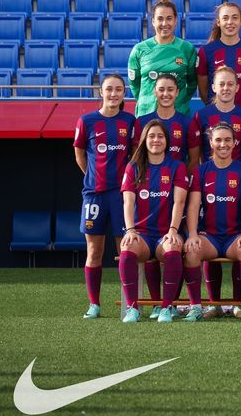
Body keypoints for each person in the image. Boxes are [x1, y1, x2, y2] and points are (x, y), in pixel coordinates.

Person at [72, 74, 136, 319]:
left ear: (123, 94)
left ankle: (129, 305)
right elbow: (79, 153)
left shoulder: (130, 122)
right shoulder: (86, 121)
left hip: (121, 196)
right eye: (109, 89)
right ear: (101, 92)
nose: (113, 94)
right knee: (94, 251)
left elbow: (133, 155)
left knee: (126, 250)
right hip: (94, 196)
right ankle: (94, 304)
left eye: (118, 89)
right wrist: (92, 176)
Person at [182, 123, 241, 322]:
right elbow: (193, 206)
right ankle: (196, 307)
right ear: (210, 143)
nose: (222, 144)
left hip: (235, 235)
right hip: (211, 236)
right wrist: (192, 235)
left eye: (227, 140)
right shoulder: (201, 171)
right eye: (218, 140)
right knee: (191, 251)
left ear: (235, 143)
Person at [133, 72, 195, 315]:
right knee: (150, 243)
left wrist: (181, 182)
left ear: (177, 92)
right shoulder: (142, 121)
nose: (166, 93)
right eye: (162, 89)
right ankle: (158, 303)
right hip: (149, 190)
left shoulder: (187, 122)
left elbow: (194, 157)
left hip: (177, 191)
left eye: (171, 89)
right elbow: (137, 157)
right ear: (154, 92)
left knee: (173, 243)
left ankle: (174, 302)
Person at [118, 119, 190, 323]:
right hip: (142, 233)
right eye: (151, 136)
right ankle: (133, 308)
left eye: (160, 136)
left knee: (173, 248)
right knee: (127, 248)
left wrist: (174, 230)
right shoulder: (133, 167)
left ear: (166, 141)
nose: (156, 140)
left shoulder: (177, 166)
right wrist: (130, 230)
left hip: (165, 233)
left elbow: (179, 202)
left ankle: (166, 307)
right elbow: (127, 201)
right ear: (144, 140)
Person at [128, 0, 197, 116]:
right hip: (146, 115)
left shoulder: (187, 49)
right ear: (153, 21)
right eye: (160, 19)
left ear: (175, 20)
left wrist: (179, 102)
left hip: (178, 116)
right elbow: (134, 85)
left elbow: (192, 84)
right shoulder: (139, 50)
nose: (164, 23)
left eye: (169, 18)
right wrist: (148, 101)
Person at [196, 1, 241, 109]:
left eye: (235, 17)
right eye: (225, 18)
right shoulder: (206, 51)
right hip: (215, 121)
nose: (230, 22)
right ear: (218, 22)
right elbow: (203, 91)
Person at [190, 66, 241, 165]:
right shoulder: (201, 115)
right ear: (214, 87)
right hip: (209, 176)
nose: (226, 88)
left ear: (237, 88)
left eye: (230, 84)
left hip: (238, 175)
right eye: (221, 84)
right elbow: (198, 153)